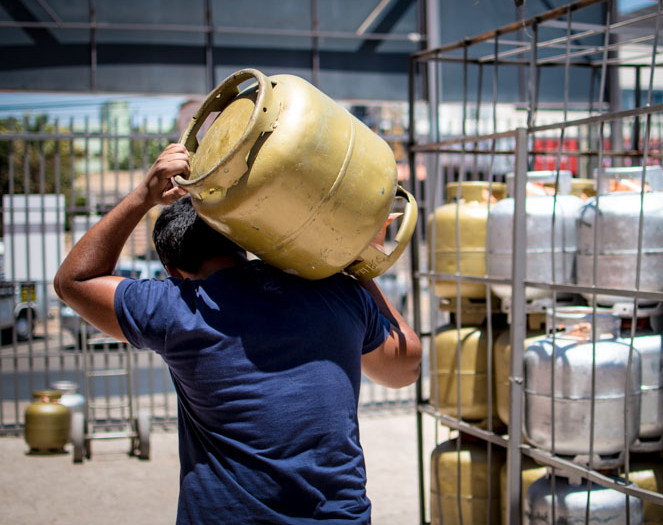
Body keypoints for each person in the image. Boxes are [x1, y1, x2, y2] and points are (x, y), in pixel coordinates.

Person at [53, 143, 422, 524]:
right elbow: (405, 368)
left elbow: (73, 281)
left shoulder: (178, 308)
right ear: (244, 237)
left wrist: (143, 196)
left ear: (171, 269)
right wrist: (358, 267)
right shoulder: (335, 292)